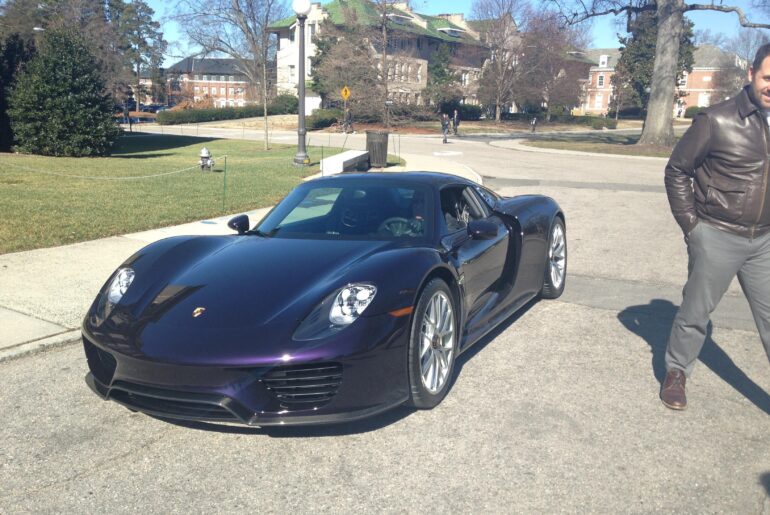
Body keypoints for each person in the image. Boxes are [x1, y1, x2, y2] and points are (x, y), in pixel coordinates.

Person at [661, 43, 770, 410]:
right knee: (695, 312)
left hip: (765, 241)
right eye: (768, 77)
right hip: (718, 234)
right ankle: (677, 371)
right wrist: (693, 228)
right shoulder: (717, 120)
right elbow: (677, 170)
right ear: (751, 75)